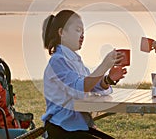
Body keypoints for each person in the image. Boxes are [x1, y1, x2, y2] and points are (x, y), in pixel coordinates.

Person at [41, 10, 127, 139]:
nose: (82, 35)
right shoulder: (58, 61)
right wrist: (104, 65)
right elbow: (79, 88)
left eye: (83, 31)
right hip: (62, 130)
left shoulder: (74, 60)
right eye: (77, 30)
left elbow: (91, 84)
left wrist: (108, 79)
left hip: (77, 127)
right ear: (61, 33)